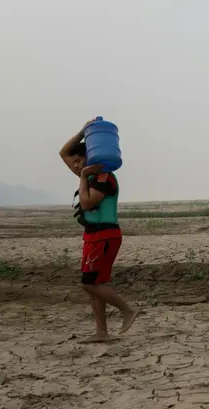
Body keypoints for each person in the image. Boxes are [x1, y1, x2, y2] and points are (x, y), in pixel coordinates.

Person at [59, 119, 138, 342]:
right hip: (93, 236)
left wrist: (83, 176)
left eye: (78, 161)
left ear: (89, 157)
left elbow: (87, 204)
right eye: (73, 163)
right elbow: (63, 152)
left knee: (88, 284)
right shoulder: (90, 176)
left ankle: (128, 310)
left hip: (104, 236)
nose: (74, 166)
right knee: (96, 285)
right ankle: (101, 332)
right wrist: (83, 131)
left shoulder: (103, 178)